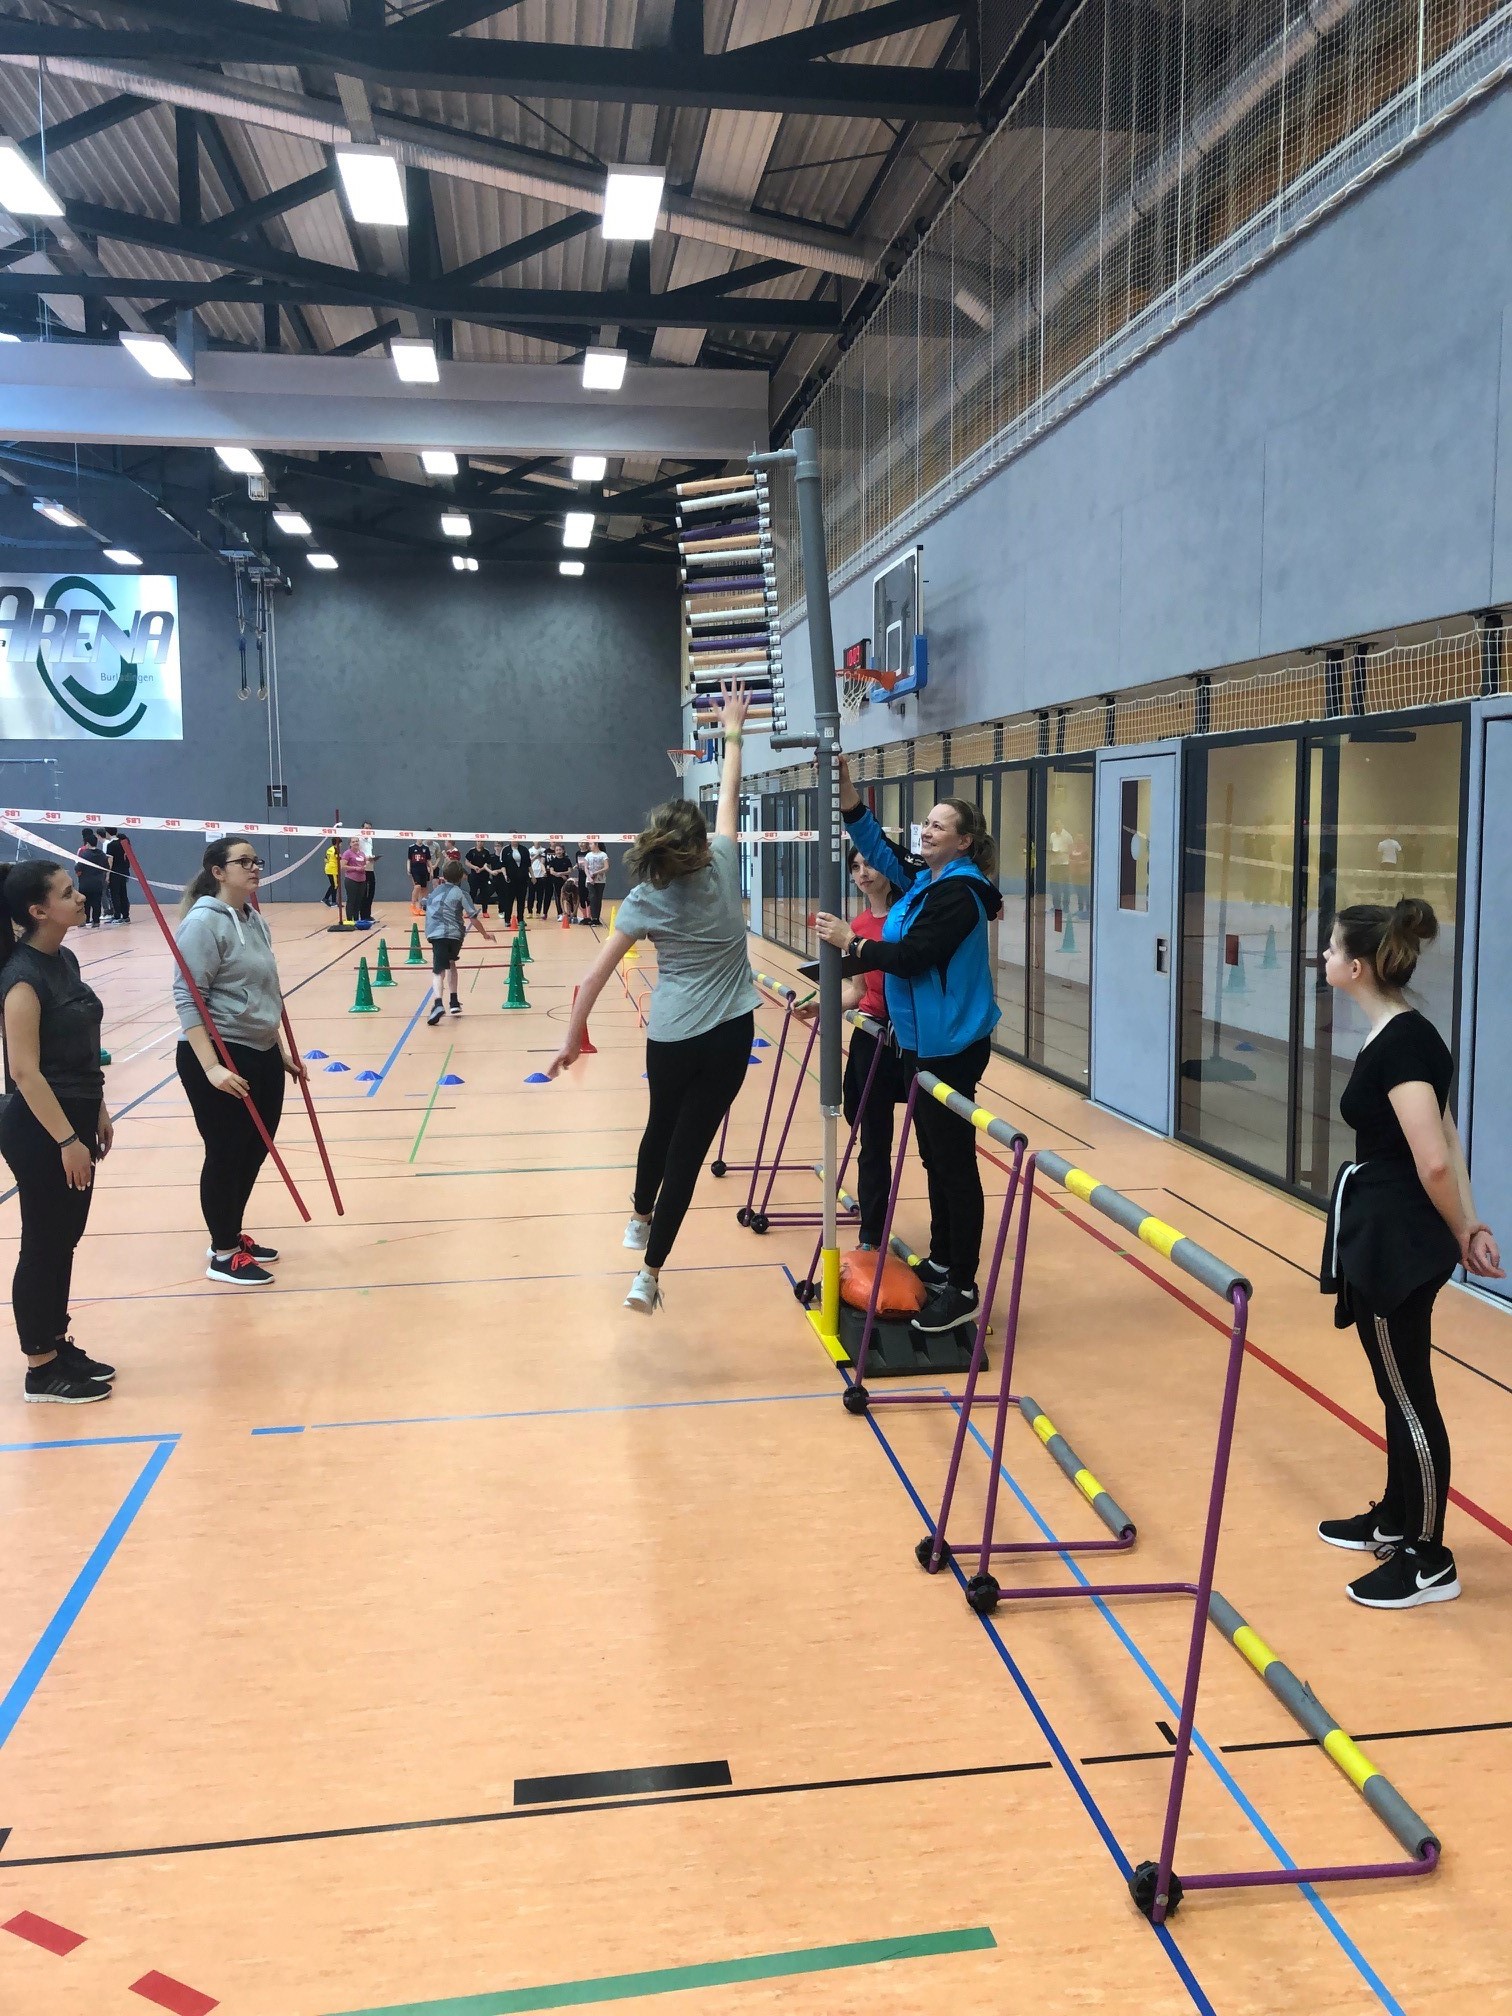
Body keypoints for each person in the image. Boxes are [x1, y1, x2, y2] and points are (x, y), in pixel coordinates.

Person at [1317, 899, 1502, 1610]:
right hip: (1386, 1232)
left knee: (1409, 1397)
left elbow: (1434, 1160)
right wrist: (1471, 1222)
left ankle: (1429, 1559)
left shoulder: (1400, 1044)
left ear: (1358, 967)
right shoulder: (1404, 1033)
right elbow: (1447, 1132)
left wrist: (1461, 1228)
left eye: (1333, 948)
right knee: (1395, 1386)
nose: (1325, 957)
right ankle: (1396, 1518)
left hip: (1398, 1242)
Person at [550, 685, 757, 1314]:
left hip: (670, 1038)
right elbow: (728, 800)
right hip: (729, 1037)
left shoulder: (643, 900)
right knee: (687, 1156)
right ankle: (649, 1276)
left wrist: (571, 1040)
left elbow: (593, 978)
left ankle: (639, 1215)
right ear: (700, 845)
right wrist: (733, 733)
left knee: (659, 1126)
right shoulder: (724, 864)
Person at [814, 758, 1003, 1339]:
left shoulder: (960, 895)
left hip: (951, 1047)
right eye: (926, 822)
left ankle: (963, 1287)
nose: (926, 831)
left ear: (963, 842)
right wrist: (849, 797)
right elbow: (880, 846)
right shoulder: (926, 879)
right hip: (920, 1044)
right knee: (934, 1159)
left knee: (954, 1164)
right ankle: (943, 1262)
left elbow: (913, 956)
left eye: (939, 826)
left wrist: (852, 944)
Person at [0, 859, 116, 1402]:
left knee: (64, 1239)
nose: (81, 897)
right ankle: (40, 1368)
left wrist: (98, 1109)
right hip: (41, 1127)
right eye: (68, 893)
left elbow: (80, 1047)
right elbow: (24, 1071)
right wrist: (67, 1141)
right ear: (37, 910)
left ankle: (55, 1340)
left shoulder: (64, 959)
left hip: (78, 1113)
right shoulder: (22, 977)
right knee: (43, 1242)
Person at [174, 837, 306, 1287]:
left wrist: (278, 1050)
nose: (254, 868)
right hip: (220, 1052)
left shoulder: (254, 918)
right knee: (226, 1152)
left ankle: (229, 1232)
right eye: (243, 862)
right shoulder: (202, 923)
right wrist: (212, 1067)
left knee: (256, 1148)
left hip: (260, 1051)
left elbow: (264, 989)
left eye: (256, 860)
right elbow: (188, 997)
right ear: (218, 872)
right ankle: (223, 1253)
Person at [837, 846, 907, 1249]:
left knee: (878, 1138)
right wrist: (822, 1005)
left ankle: (871, 1235)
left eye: (870, 864)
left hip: (902, 1036)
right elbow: (858, 991)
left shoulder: (905, 919)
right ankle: (872, 1231)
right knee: (859, 1118)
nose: (863, 872)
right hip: (869, 1032)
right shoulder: (858, 925)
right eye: (855, 867)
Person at [424, 857, 495, 1024]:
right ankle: (454, 1002)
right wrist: (485, 934)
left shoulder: (435, 892)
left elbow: (425, 905)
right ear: (461, 876)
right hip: (455, 936)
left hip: (437, 935)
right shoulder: (462, 893)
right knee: (451, 963)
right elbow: (473, 917)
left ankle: (438, 1003)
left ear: (444, 875)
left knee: (438, 970)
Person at [75, 830, 109, 930]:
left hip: (85, 883)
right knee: (96, 903)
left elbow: (78, 867)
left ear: (88, 843)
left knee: (85, 903)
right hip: (98, 882)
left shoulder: (85, 855)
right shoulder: (102, 854)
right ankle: (96, 921)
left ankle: (84, 920)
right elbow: (106, 867)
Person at [341, 836, 371, 927]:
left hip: (362, 880)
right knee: (351, 900)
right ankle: (350, 920)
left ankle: (356, 919)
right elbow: (343, 866)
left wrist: (367, 864)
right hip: (351, 879)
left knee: (359, 900)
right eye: (353, 841)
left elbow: (364, 865)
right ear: (350, 844)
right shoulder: (347, 853)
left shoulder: (362, 854)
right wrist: (355, 868)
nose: (356, 843)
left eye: (357, 841)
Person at [104, 829, 131, 923]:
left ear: (107, 832)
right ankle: (125, 916)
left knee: (115, 895)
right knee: (123, 893)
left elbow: (110, 861)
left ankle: (117, 916)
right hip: (124, 872)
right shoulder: (123, 842)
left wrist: (107, 874)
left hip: (114, 873)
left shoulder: (111, 845)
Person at [581, 839, 609, 926]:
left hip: (600, 880)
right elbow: (585, 868)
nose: (589, 845)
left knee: (598, 898)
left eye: (591, 844)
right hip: (590, 880)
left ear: (596, 844)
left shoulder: (603, 855)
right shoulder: (588, 855)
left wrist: (596, 873)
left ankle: (597, 918)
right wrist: (589, 877)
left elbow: (606, 867)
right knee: (592, 897)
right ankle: (593, 918)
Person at [357, 822, 379, 922]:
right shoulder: (358, 839)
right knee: (363, 892)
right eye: (366, 828)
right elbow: (357, 854)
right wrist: (366, 858)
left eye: (370, 829)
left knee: (371, 892)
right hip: (362, 868)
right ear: (362, 828)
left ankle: (368, 914)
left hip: (370, 867)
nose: (368, 830)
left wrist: (373, 858)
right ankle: (363, 915)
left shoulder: (370, 839)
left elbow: (369, 852)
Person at [544, 842, 572, 918]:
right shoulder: (553, 861)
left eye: (560, 850)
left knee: (568, 897)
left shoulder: (567, 860)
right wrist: (560, 875)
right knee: (558, 897)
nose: (558, 851)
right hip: (556, 881)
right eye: (557, 850)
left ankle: (570, 913)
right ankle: (560, 913)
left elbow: (570, 870)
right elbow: (552, 871)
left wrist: (562, 874)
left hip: (565, 881)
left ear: (563, 851)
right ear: (555, 851)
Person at [464, 842, 493, 914]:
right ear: (476, 842)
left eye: (481, 841)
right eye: (478, 841)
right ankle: (469, 911)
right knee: (472, 893)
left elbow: (488, 864)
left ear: (484, 842)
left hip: (484, 876)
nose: (480, 843)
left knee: (484, 894)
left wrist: (481, 869)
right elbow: (466, 862)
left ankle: (485, 911)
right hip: (474, 876)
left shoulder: (486, 852)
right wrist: (474, 867)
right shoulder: (472, 851)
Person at [407, 839, 433, 915]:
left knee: (424, 889)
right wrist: (408, 868)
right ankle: (413, 905)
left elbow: (428, 861)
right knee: (417, 886)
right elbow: (409, 859)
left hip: (424, 870)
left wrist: (431, 870)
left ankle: (421, 908)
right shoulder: (411, 847)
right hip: (415, 870)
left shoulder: (426, 848)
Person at [528, 845, 549, 916]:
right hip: (532, 876)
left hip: (541, 876)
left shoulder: (543, 850)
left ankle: (538, 912)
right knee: (531, 896)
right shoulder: (529, 850)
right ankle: (530, 912)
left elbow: (542, 862)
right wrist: (536, 855)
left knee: (540, 896)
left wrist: (539, 857)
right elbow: (529, 862)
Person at [322, 836, 340, 908]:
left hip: (328, 868)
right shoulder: (336, 849)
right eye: (340, 843)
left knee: (333, 885)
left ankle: (325, 898)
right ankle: (333, 902)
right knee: (335, 885)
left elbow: (325, 859)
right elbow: (338, 858)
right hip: (333, 870)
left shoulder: (329, 849)